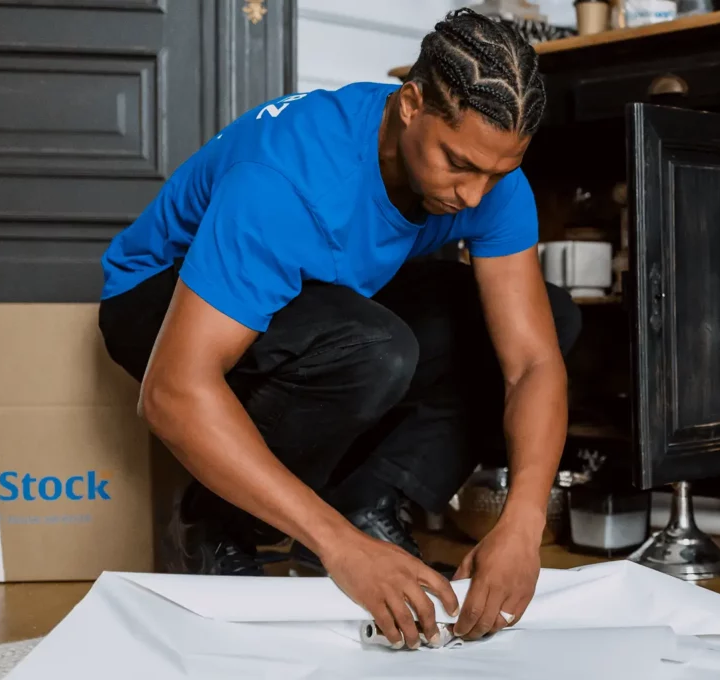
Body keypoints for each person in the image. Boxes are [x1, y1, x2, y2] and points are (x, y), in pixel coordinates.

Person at [97, 8, 582, 650]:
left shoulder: (490, 181)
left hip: (319, 285)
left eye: (497, 172)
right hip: (160, 295)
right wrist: (338, 549)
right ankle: (213, 523)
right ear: (411, 103)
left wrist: (523, 518)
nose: (474, 195)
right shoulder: (285, 180)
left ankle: (369, 502)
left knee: (556, 316)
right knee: (374, 351)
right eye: (458, 164)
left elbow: (531, 364)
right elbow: (171, 393)